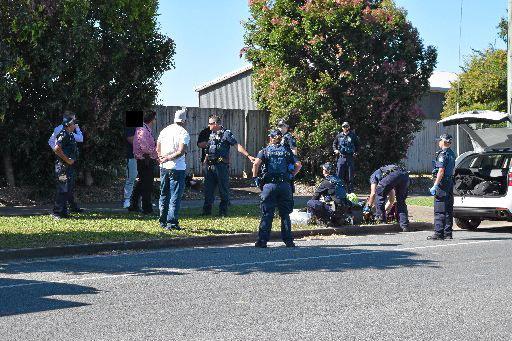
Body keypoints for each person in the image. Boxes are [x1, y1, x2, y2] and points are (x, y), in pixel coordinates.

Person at [252, 129, 302, 248]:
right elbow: (298, 165)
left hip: (269, 186)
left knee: (267, 214)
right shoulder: (287, 151)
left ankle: (262, 241)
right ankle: (289, 241)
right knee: (285, 214)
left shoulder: (265, 150)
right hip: (285, 186)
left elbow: (256, 164)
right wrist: (291, 175)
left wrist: (255, 178)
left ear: (270, 138)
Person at [202, 114, 256, 216]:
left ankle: (223, 212)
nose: (208, 126)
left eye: (210, 124)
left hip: (221, 166)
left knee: (223, 190)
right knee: (208, 190)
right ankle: (206, 212)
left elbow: (237, 146)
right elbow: (208, 151)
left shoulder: (226, 134)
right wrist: (204, 163)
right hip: (210, 166)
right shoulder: (211, 134)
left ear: (216, 124)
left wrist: (248, 155)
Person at [157, 108, 190, 230]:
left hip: (164, 167)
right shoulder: (183, 133)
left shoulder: (164, 130)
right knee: (175, 195)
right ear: (184, 120)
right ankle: (172, 222)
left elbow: (158, 147)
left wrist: (162, 158)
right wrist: (169, 158)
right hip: (177, 168)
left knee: (164, 194)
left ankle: (162, 220)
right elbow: (181, 152)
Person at [48, 111, 83, 212]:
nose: (75, 124)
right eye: (73, 123)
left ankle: (63, 211)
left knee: (68, 188)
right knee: (62, 188)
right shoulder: (63, 134)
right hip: (62, 167)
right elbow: (57, 149)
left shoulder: (70, 134)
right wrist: (67, 160)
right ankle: (57, 212)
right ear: (69, 124)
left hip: (68, 167)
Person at [364, 164, 410, 232]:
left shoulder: (373, 176)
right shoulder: (386, 177)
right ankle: (405, 225)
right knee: (401, 201)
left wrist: (368, 207)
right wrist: (385, 211)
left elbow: (373, 193)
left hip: (395, 174)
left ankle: (381, 221)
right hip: (405, 175)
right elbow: (391, 199)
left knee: (379, 193)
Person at [428, 133, 456, 240]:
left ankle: (438, 233)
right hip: (449, 182)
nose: (438, 142)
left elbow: (441, 171)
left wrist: (435, 185)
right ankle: (448, 233)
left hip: (442, 184)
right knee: (448, 208)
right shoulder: (452, 153)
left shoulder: (442, 154)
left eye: (439, 140)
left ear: (443, 142)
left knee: (440, 208)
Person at [131, 110, 158, 214]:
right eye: (154, 118)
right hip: (145, 160)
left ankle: (133, 204)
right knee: (147, 185)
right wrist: (156, 153)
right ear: (151, 119)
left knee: (141, 183)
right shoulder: (142, 130)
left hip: (145, 159)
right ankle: (147, 208)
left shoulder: (145, 129)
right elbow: (144, 147)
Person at [332, 121, 359, 192]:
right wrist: (335, 150)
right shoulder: (339, 135)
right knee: (339, 175)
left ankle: (350, 193)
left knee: (350, 176)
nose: (345, 128)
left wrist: (356, 152)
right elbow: (334, 144)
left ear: (349, 127)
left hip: (350, 157)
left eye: (346, 126)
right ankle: (338, 191)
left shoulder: (353, 135)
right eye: (344, 126)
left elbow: (357, 145)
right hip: (341, 157)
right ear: (342, 128)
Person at [123, 126, 138, 209]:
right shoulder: (130, 127)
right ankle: (127, 199)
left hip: (142, 156)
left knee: (143, 178)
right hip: (132, 156)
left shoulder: (142, 127)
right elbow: (130, 139)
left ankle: (142, 200)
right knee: (131, 177)